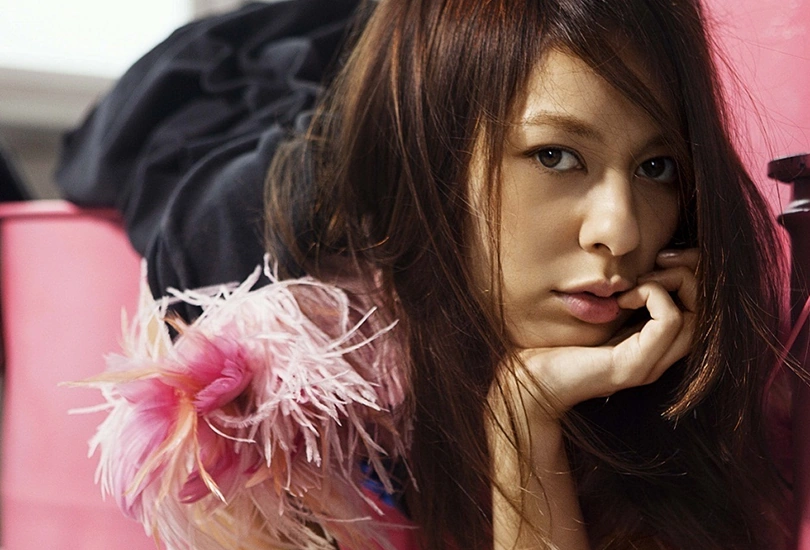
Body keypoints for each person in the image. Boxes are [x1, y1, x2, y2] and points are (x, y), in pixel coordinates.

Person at [61, 0, 793, 548]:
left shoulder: (676, 341)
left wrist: (524, 420)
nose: (621, 230)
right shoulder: (280, 350)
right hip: (234, 105)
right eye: (555, 156)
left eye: (656, 166)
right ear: (439, 173)